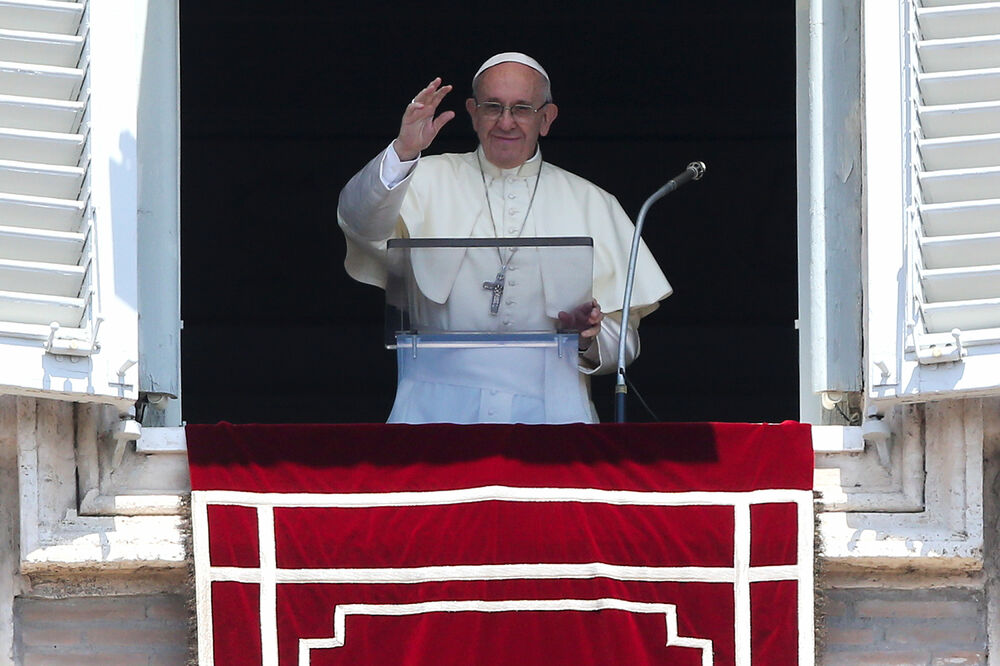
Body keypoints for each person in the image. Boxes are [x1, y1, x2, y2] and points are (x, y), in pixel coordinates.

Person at [338, 52, 672, 424]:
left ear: (546, 118)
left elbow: (624, 343)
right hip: (432, 409)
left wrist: (589, 338)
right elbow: (360, 224)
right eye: (493, 106)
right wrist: (403, 151)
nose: (506, 122)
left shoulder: (591, 202)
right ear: (472, 112)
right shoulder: (422, 178)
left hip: (553, 413)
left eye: (522, 109)